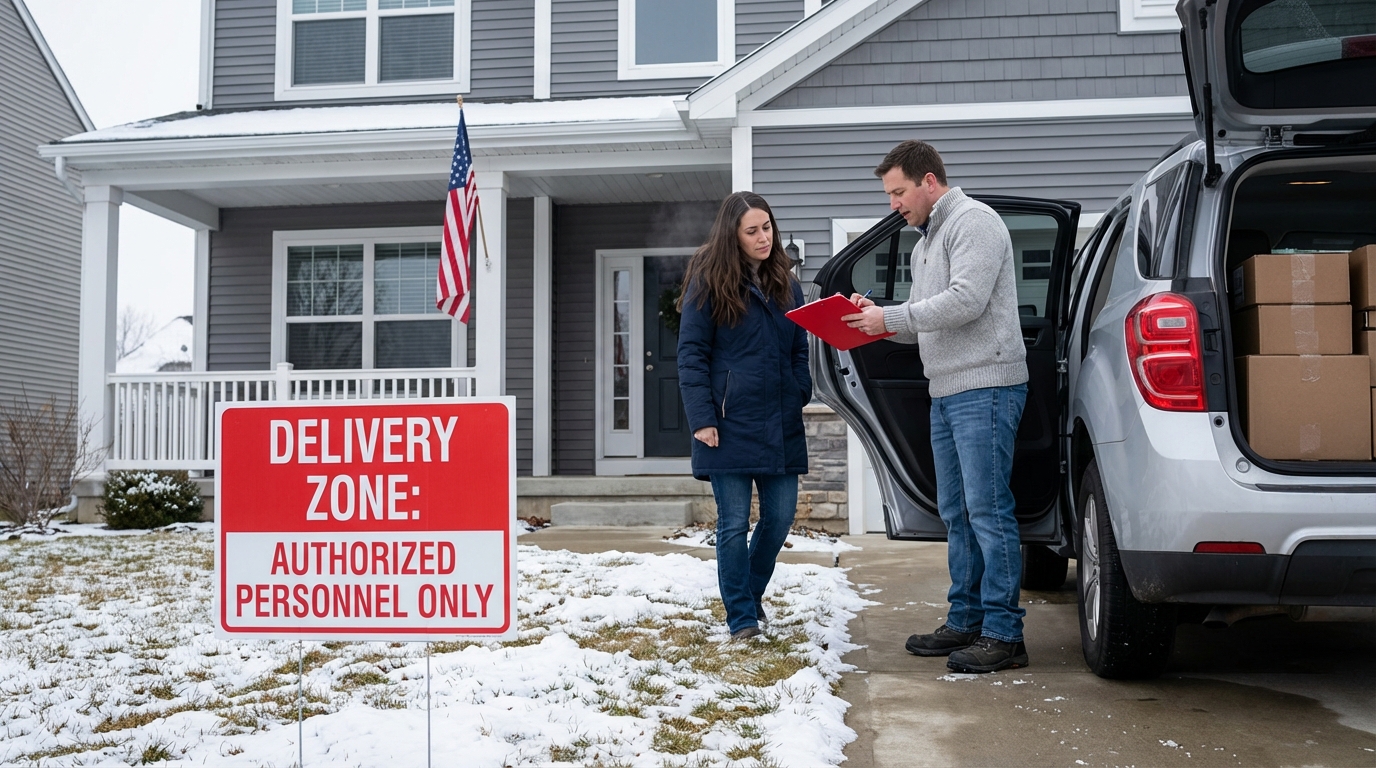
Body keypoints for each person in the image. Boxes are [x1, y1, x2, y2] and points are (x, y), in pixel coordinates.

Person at [842, 140, 1030, 673]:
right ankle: (966, 620)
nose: (893, 204)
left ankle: (1003, 633)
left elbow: (966, 301)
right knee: (958, 514)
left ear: (929, 181)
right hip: (946, 391)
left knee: (989, 512)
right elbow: (928, 323)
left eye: (898, 192)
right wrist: (877, 318)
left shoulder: (974, 222)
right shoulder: (927, 242)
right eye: (889, 195)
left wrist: (894, 318)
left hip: (986, 388)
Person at [677, 191, 811, 641]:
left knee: (779, 519)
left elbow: (798, 347)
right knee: (733, 525)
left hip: (778, 419)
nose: (762, 237)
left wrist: (799, 390)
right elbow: (691, 354)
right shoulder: (708, 281)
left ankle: (749, 596)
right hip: (726, 423)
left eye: (767, 227)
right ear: (732, 236)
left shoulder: (786, 284)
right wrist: (702, 418)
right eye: (751, 231)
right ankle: (742, 619)